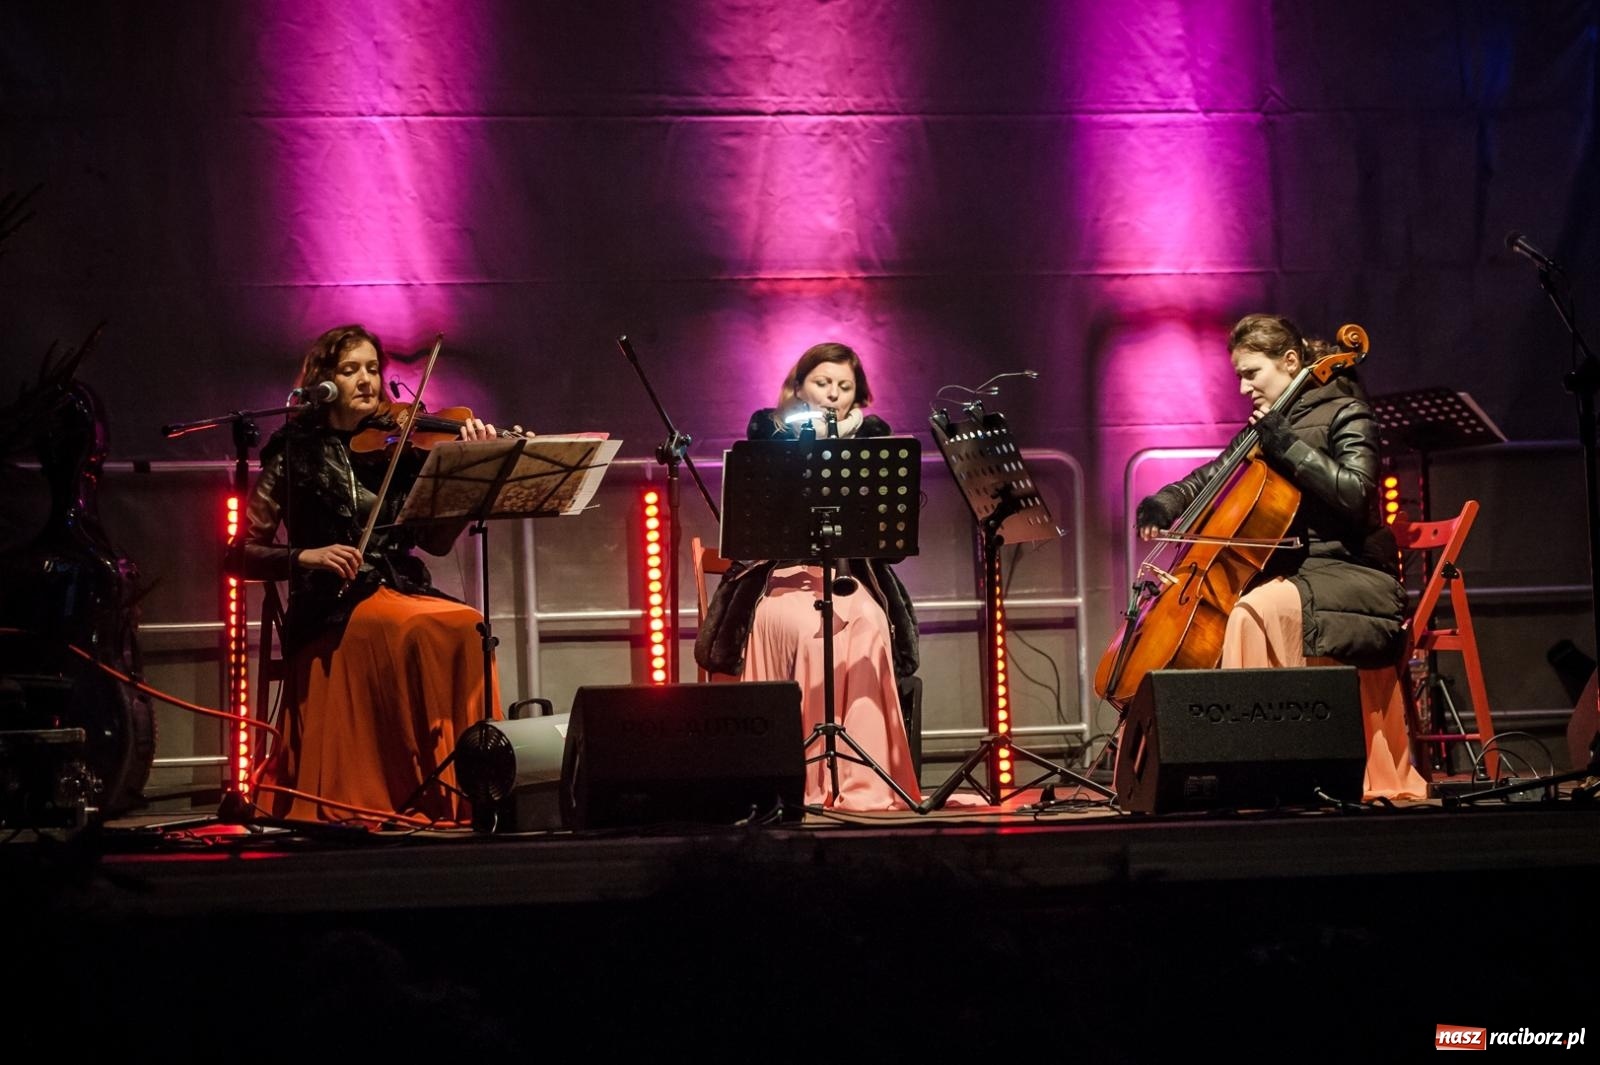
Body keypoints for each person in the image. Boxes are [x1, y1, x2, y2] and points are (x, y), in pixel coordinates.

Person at [1131, 313, 1426, 799]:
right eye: (1240, 376)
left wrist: (1286, 445)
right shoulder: (1268, 427)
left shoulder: (1346, 412)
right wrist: (1165, 500)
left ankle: (1273, 771)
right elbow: (1214, 476)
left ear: (1290, 361)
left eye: (1253, 373)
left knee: (1251, 612)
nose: (1244, 387)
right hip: (1294, 572)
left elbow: (1356, 493)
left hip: (1352, 571)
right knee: (1231, 613)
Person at [226, 324, 503, 825]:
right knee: (418, 628)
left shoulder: (396, 447)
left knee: (470, 625)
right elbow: (239, 553)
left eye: (373, 369)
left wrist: (472, 472)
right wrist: (304, 556)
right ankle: (392, 788)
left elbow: (435, 543)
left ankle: (466, 789)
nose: (366, 380)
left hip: (397, 586)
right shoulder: (294, 453)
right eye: (350, 369)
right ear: (322, 380)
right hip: (332, 604)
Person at [695, 342, 922, 811]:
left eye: (845, 386)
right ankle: (801, 777)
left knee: (867, 622)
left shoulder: (872, 435)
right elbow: (754, 526)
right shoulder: (769, 427)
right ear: (799, 386)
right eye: (822, 383)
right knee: (809, 629)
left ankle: (863, 779)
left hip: (845, 576)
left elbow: (887, 542)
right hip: (778, 578)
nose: (833, 395)